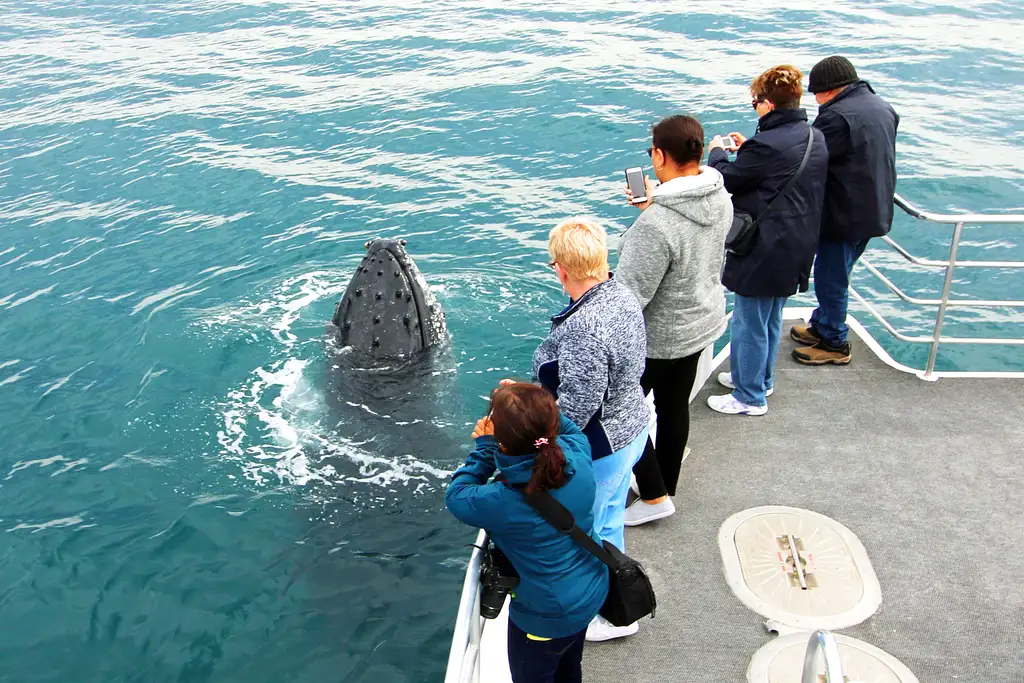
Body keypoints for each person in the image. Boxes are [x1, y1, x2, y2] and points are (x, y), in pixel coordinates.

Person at [529, 217, 649, 641]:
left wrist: (539, 442)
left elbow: (578, 407)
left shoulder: (583, 328)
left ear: (561, 269)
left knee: (587, 528)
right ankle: (618, 602)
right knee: (610, 517)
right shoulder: (620, 294)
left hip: (604, 447)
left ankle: (607, 615)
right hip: (631, 426)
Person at [445, 383, 609, 683]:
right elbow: (564, 428)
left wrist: (484, 449)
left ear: (502, 443)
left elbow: (456, 495)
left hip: (546, 619)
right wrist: (532, 402)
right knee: (570, 669)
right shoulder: (578, 455)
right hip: (592, 590)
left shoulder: (501, 502)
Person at [616, 115, 732, 525]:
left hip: (657, 337)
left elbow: (630, 294)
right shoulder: (719, 196)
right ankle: (664, 483)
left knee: (617, 411)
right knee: (672, 407)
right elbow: (688, 247)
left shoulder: (657, 224)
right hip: (699, 322)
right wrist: (655, 204)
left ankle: (653, 495)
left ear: (660, 155)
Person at [705, 64, 828, 415]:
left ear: (769, 105)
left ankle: (748, 396)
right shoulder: (813, 136)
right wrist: (750, 149)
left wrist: (717, 152)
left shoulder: (767, 145)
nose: (754, 107)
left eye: (755, 102)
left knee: (750, 320)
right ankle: (760, 378)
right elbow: (774, 169)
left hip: (765, 246)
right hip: (799, 242)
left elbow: (727, 178)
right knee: (772, 316)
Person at [791, 56, 899, 365]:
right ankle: (823, 324)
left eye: (816, 93)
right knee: (838, 272)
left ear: (829, 89)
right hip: (874, 208)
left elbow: (809, 157)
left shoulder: (837, 117)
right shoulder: (881, 106)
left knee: (831, 278)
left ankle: (835, 343)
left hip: (844, 214)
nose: (815, 100)